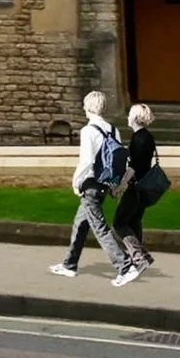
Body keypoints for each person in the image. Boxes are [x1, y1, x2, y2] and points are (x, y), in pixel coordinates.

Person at [49, 90, 143, 286]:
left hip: (90, 184)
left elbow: (86, 161)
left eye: (85, 105)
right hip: (104, 183)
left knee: (99, 228)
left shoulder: (88, 131)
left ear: (88, 107)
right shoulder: (113, 130)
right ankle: (69, 265)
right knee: (80, 225)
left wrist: (76, 181)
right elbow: (117, 161)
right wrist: (115, 184)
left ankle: (125, 266)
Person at [115, 102, 163, 271]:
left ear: (135, 117)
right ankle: (140, 258)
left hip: (135, 186)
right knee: (134, 221)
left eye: (130, 114)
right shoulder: (148, 136)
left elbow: (133, 166)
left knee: (120, 222)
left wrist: (121, 185)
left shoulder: (138, 139)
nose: (128, 117)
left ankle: (139, 257)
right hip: (144, 186)